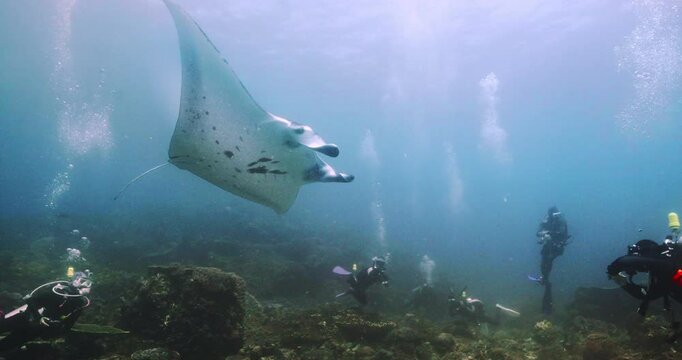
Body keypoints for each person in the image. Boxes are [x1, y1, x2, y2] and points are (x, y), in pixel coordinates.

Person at [0, 270, 92, 352]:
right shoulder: (58, 291)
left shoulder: (80, 304)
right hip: (26, 318)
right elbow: (32, 301)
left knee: (5, 345)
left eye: (87, 282)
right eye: (80, 279)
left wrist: (53, 330)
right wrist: (39, 317)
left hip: (35, 330)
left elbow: (67, 326)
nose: (87, 285)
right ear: (74, 279)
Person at [535, 206, 570, 315]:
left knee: (547, 262)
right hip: (548, 247)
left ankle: (545, 280)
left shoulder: (561, 220)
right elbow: (538, 232)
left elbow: (562, 232)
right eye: (551, 214)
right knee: (544, 265)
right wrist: (544, 234)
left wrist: (550, 234)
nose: (553, 216)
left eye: (555, 214)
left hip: (556, 247)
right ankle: (545, 279)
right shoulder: (546, 220)